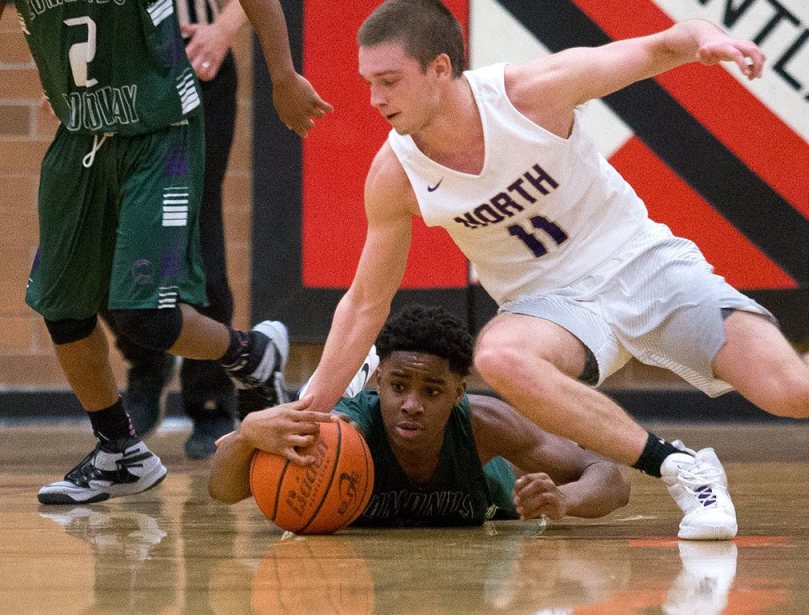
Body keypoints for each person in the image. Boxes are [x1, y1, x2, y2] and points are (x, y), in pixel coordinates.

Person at [297, 0, 809, 539]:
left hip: (646, 264)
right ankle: (680, 465)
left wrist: (705, 37)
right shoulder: (395, 174)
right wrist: (310, 406)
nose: (375, 99)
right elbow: (364, 302)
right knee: (500, 353)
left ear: (439, 69)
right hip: (556, 305)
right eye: (368, 84)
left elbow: (659, 47)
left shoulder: (529, 93)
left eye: (389, 81)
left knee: (791, 390)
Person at [3, 0, 331, 505]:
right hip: (81, 134)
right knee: (61, 305)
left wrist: (283, 76)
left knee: (145, 313)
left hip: (160, 132)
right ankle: (119, 450)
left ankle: (248, 359)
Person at [209, 305, 631, 526]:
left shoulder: (484, 426)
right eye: (397, 387)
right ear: (377, 383)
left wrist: (565, 500)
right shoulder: (342, 429)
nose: (411, 404)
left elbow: (609, 474)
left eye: (431, 391)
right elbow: (223, 492)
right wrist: (246, 436)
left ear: (457, 392)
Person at [103, 0, 252, 460]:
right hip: (109, 73)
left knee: (195, 232)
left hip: (194, 57)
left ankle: (209, 400)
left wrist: (224, 28)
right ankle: (147, 359)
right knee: (99, 240)